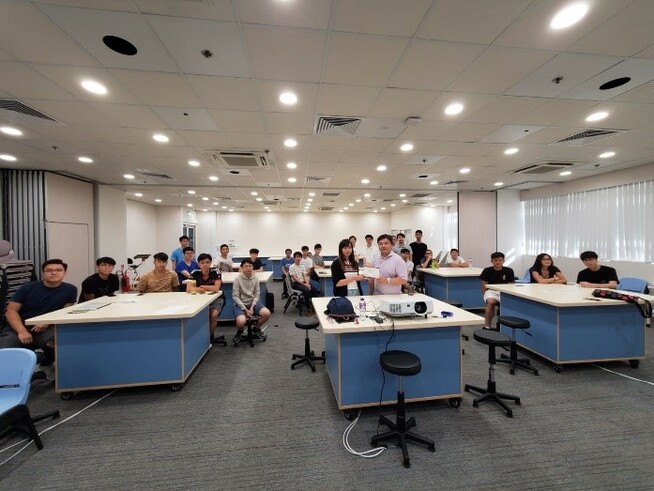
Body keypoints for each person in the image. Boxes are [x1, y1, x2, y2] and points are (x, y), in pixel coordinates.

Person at [0, 259, 77, 380]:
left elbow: (64, 311)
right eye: (49, 270)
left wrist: (47, 322)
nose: (54, 273)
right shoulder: (27, 288)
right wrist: (21, 331)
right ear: (43, 273)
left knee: (56, 341)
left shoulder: (70, 289)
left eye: (58, 270)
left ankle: (46, 364)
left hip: (46, 327)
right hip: (19, 327)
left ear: (64, 272)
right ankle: (8, 380)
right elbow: (11, 311)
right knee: (6, 350)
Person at [232, 258, 271, 341]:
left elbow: (257, 294)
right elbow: (235, 297)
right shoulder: (237, 279)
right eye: (246, 266)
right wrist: (246, 310)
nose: (248, 268)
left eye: (250, 266)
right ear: (242, 267)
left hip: (253, 302)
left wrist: (252, 307)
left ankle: (256, 329)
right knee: (241, 321)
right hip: (240, 304)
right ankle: (240, 331)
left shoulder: (255, 278)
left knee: (266, 313)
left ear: (253, 267)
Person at [190, 253, 225, 344]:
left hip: (217, 298)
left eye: (207, 262)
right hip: (200, 299)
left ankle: (207, 338)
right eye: (202, 262)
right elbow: (189, 288)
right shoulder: (194, 272)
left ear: (210, 263)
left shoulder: (215, 271)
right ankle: (200, 337)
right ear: (198, 264)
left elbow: (216, 288)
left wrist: (201, 286)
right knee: (201, 316)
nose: (205, 264)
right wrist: (200, 289)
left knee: (213, 315)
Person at [479, 252, 515, 330]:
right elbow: (483, 284)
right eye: (495, 260)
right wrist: (485, 294)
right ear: (491, 261)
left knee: (511, 303)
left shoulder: (509, 270)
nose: (498, 262)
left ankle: (505, 328)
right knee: (491, 302)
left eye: (500, 260)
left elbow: (511, 284)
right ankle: (487, 326)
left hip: (505, 292)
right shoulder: (487, 270)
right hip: (491, 291)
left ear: (503, 261)